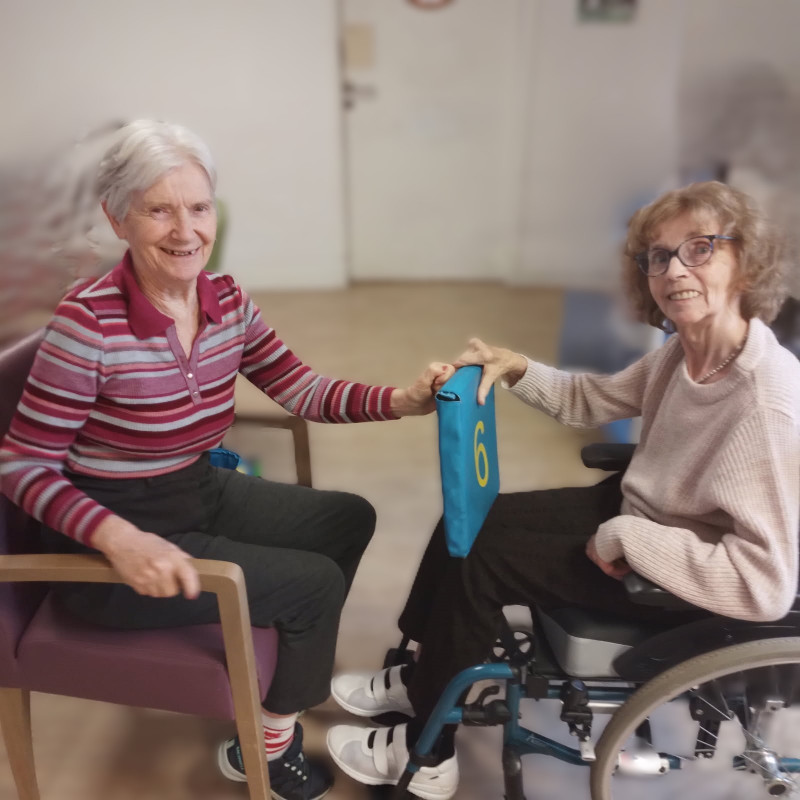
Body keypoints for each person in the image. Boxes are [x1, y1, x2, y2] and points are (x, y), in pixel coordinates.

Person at [0, 119, 455, 800]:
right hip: (106, 549)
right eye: (159, 210)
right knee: (313, 585)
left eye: (199, 207)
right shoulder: (88, 324)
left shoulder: (227, 301)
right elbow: (20, 466)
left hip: (192, 491)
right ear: (117, 220)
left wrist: (402, 399)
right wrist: (118, 541)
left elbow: (301, 387)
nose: (186, 231)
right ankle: (264, 746)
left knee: (347, 519)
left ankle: (271, 671)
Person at [326, 181, 800, 799]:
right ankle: (422, 667)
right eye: (659, 256)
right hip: (641, 513)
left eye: (700, 248)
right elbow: (592, 399)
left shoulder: (763, 404)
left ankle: (429, 755)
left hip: (672, 572)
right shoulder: (686, 352)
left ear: (745, 260)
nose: (674, 270)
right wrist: (515, 367)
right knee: (471, 517)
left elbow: (762, 586)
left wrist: (631, 537)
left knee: (484, 562)